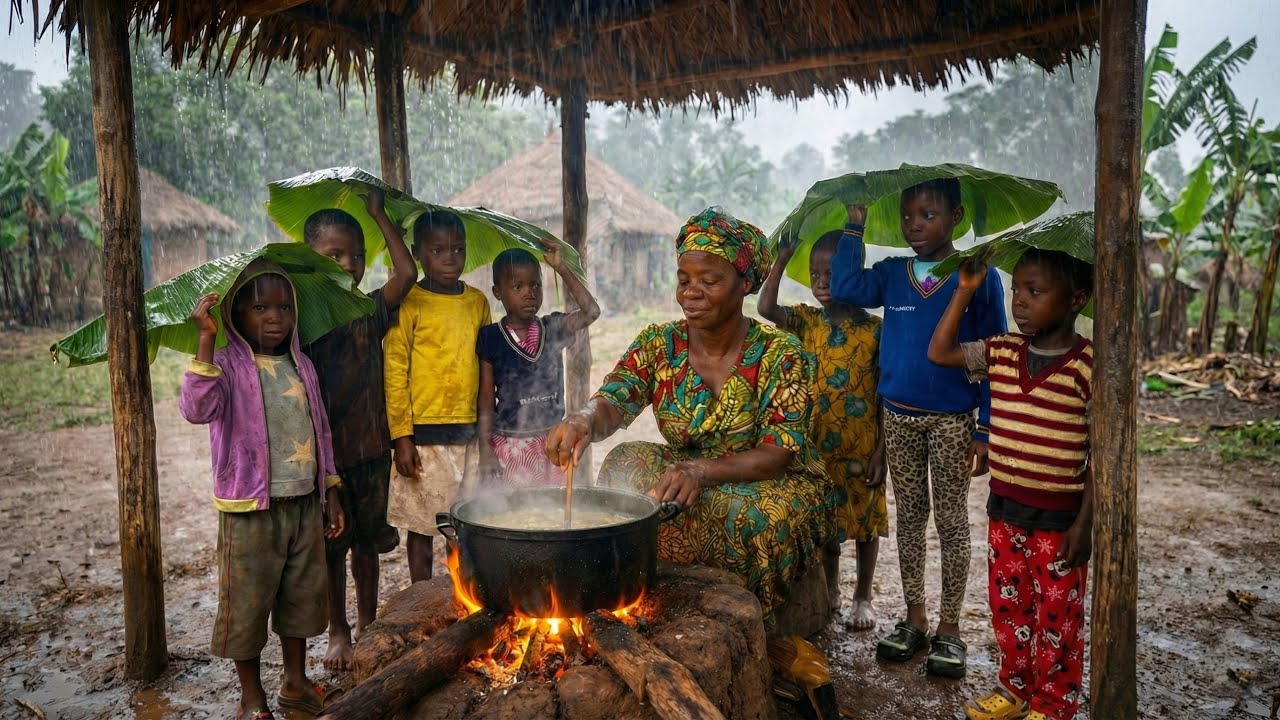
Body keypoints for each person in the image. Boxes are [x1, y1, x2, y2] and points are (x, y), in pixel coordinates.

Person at [544, 206, 834, 622]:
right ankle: (636, 593)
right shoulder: (661, 344)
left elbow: (778, 453)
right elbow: (614, 397)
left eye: (709, 281)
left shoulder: (780, 354)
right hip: (690, 470)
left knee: (749, 516)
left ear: (745, 284)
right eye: (684, 280)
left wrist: (700, 471)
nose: (690, 292)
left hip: (769, 479)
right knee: (625, 463)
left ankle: (752, 623)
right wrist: (584, 419)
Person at [830, 178, 1006, 678]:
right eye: (908, 216)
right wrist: (853, 227)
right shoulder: (891, 273)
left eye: (928, 215)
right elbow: (845, 286)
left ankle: (949, 629)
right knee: (909, 520)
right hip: (899, 417)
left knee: (951, 522)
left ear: (956, 215)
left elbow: (993, 351)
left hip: (954, 420)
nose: (914, 225)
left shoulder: (977, 275)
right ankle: (914, 619)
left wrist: (986, 427)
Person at [928, 249, 1094, 720]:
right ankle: (1015, 690)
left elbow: (1102, 454)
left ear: (1076, 299)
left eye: (1035, 292)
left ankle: (1053, 704)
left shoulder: (1087, 365)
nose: (1020, 302)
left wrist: (1087, 522)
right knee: (1010, 611)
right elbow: (939, 351)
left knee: (1058, 620)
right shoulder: (1002, 351)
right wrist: (963, 292)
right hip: (1004, 512)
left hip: (1060, 520)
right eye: (1017, 289)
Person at [179, 261, 345, 719]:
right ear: (236, 314)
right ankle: (251, 698)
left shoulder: (302, 365)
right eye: (260, 308)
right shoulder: (227, 365)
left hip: (303, 505)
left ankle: (295, 683)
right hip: (248, 507)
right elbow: (196, 410)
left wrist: (330, 489)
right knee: (246, 605)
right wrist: (206, 340)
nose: (275, 317)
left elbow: (322, 431)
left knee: (302, 598)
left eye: (284, 307)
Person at [300, 189, 416, 672]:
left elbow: (407, 274)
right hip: (324, 460)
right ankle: (338, 630)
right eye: (334, 254)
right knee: (331, 548)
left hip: (372, 449)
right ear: (309, 259)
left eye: (356, 254)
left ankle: (368, 623)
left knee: (367, 544)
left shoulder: (371, 309)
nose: (349, 263)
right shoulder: (299, 319)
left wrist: (379, 216)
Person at [757, 229, 887, 631]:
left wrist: (883, 449)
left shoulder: (876, 329)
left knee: (866, 524)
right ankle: (832, 589)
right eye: (814, 274)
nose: (822, 282)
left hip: (862, 445)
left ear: (855, 271)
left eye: (831, 272)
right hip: (818, 447)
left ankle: (862, 597)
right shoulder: (807, 319)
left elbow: (884, 393)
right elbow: (765, 308)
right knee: (829, 523)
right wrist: (781, 259)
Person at [384, 209, 490, 583]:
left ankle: (459, 594)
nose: (450, 258)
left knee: (462, 524)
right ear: (417, 253)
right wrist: (402, 437)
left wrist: (485, 430)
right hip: (424, 436)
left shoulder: (477, 302)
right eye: (438, 250)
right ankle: (420, 596)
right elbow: (395, 371)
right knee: (422, 526)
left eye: (458, 250)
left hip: (467, 433)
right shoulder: (409, 302)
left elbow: (485, 364)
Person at [476, 245, 600, 487]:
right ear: (497, 292)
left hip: (553, 443)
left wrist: (561, 268)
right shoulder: (491, 338)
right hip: (511, 447)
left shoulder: (553, 328)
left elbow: (591, 311)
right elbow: (486, 401)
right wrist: (485, 449)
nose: (529, 293)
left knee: (551, 515)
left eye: (535, 285)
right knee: (517, 515)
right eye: (517, 286)